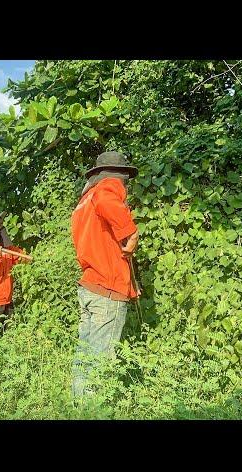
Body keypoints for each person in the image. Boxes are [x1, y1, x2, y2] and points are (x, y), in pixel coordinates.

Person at [70, 151, 140, 398]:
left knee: (85, 355)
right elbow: (108, 201)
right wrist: (131, 233)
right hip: (106, 290)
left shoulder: (83, 203)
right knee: (100, 360)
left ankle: (78, 408)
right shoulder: (106, 189)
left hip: (90, 285)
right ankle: (94, 410)